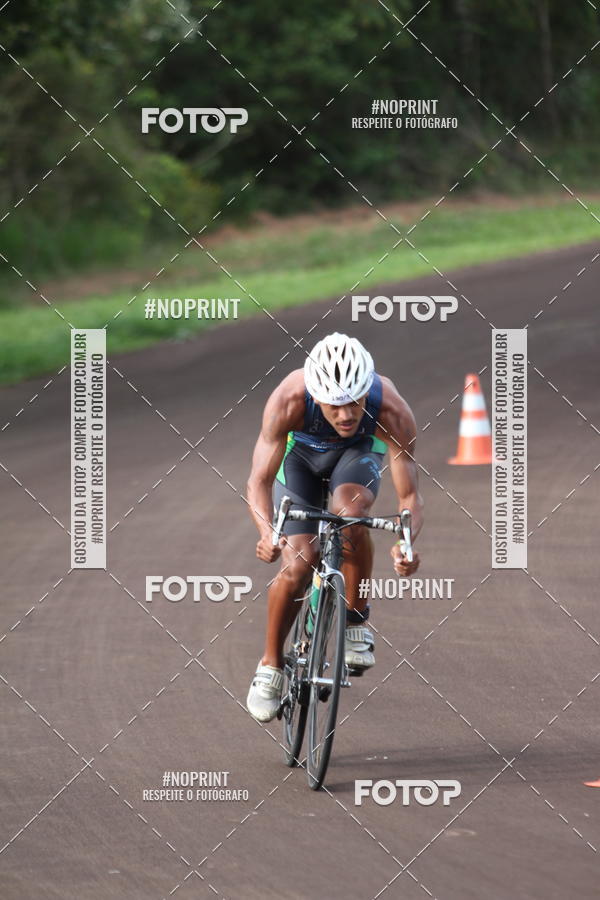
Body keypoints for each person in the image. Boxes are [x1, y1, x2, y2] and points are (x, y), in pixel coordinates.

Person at [246, 332, 423, 722]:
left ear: (367, 391)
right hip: (302, 461)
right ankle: (270, 667)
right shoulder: (289, 399)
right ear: (315, 395)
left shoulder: (390, 406)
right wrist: (266, 531)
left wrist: (407, 545)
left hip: (357, 457)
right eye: (334, 405)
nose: (345, 415)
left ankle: (356, 617)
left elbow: (409, 495)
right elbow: (259, 480)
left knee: (351, 513)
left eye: (355, 403)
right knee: (298, 562)